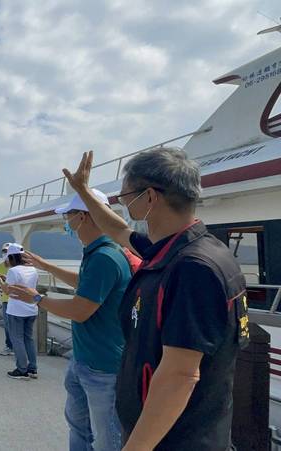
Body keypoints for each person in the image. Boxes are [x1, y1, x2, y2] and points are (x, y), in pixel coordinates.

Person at [61, 148, 248, 450]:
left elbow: (181, 374)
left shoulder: (192, 269)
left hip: (175, 440)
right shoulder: (175, 249)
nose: (122, 204)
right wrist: (82, 190)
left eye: (124, 197)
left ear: (149, 198)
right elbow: (119, 230)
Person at [9, 188, 131, 451]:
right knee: (79, 426)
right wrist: (46, 266)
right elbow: (84, 285)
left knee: (107, 438)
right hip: (84, 359)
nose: (67, 222)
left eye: (69, 216)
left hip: (102, 366)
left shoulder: (105, 257)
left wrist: (36, 299)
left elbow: (80, 310)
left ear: (85, 217)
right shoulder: (96, 252)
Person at [0, 243, 39, 379]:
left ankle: (22, 369)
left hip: (16, 310)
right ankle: (32, 368)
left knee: (17, 339)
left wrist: (1, 281)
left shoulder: (13, 271)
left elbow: (8, 291)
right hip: (32, 308)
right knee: (28, 338)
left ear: (11, 257)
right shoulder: (33, 270)